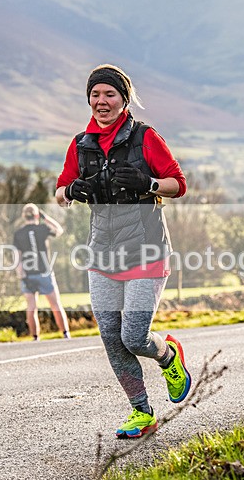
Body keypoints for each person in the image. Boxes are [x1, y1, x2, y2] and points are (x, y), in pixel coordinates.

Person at [55, 64, 191, 439]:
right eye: (95, 95)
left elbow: (178, 185)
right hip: (101, 254)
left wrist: (149, 182)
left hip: (147, 250)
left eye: (109, 94)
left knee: (134, 336)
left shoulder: (146, 138)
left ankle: (167, 356)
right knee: (111, 337)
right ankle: (142, 413)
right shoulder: (80, 143)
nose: (101, 101)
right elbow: (60, 191)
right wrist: (72, 191)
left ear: (124, 99)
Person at [13, 203, 71, 340]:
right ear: (37, 215)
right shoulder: (42, 228)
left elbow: (17, 259)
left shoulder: (18, 234)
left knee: (31, 307)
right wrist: (46, 218)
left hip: (28, 275)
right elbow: (59, 230)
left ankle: (35, 337)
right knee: (55, 304)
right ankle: (65, 334)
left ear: (23, 216)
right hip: (45, 273)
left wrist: (21, 276)